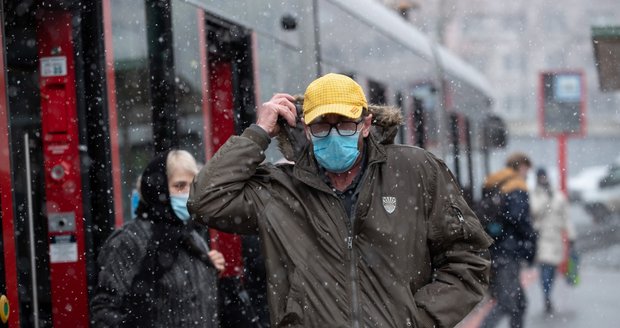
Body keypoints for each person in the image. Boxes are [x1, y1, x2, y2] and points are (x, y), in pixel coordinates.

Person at [188, 73, 493, 327]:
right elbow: (206, 200)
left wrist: (419, 319)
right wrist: (259, 132)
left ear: (366, 124)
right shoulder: (281, 189)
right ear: (306, 130)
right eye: (322, 126)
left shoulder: (415, 171)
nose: (334, 135)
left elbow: (468, 257)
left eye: (346, 124)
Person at [91, 150, 225, 328]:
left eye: (193, 185)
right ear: (157, 189)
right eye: (179, 186)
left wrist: (209, 271)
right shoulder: (129, 240)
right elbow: (104, 311)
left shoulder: (192, 238)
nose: (188, 192)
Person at [480, 152, 537, 328]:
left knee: (518, 303)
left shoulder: (494, 183)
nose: (527, 173)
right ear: (521, 166)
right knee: (508, 302)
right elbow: (519, 218)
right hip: (508, 252)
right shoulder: (517, 187)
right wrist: (531, 238)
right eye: (527, 168)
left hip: (495, 249)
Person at [530, 168, 576, 314]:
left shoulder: (558, 196)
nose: (543, 179)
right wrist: (545, 200)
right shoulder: (534, 195)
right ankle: (546, 295)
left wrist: (571, 236)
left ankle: (547, 293)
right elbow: (533, 212)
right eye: (540, 177)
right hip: (541, 238)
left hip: (555, 238)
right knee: (545, 268)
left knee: (551, 270)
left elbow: (566, 218)